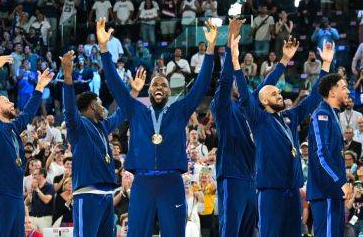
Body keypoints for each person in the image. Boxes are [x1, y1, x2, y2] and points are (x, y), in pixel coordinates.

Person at [98, 17, 217, 237]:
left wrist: (210, 48)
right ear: (149, 90)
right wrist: (104, 48)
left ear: (169, 91)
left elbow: (200, 86)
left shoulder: (179, 111)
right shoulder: (135, 110)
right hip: (142, 181)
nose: (159, 86)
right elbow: (114, 85)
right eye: (154, 84)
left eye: (163, 84)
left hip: (172, 182)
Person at [231, 33, 333, 236]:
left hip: (293, 191)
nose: (279, 94)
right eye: (273, 93)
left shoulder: (291, 116)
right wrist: (235, 61)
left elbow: (313, 98)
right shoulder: (258, 119)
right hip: (270, 191)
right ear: (264, 102)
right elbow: (243, 92)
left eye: (279, 92)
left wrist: (326, 65)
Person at [211, 18, 302, 237]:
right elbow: (225, 82)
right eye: (233, 78)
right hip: (232, 177)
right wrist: (230, 48)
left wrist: (284, 60)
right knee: (230, 231)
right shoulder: (222, 106)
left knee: (251, 231)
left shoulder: (250, 105)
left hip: (253, 176)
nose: (235, 80)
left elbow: (266, 85)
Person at [61, 50, 145, 236]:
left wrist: (135, 92)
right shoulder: (79, 126)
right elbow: (68, 109)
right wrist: (68, 75)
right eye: (100, 104)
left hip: (107, 195)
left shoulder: (102, 126)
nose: (104, 108)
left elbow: (122, 113)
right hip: (87, 194)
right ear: (92, 106)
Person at [0, 55, 53, 236]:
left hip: (16, 195)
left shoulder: (12, 128)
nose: (12, 103)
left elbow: (27, 113)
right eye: (6, 101)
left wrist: (39, 88)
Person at [307, 73, 351, 237]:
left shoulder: (333, 115)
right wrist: (341, 182)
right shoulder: (321, 114)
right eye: (344, 87)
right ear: (332, 92)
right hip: (325, 191)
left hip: (333, 191)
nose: (348, 91)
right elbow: (321, 154)